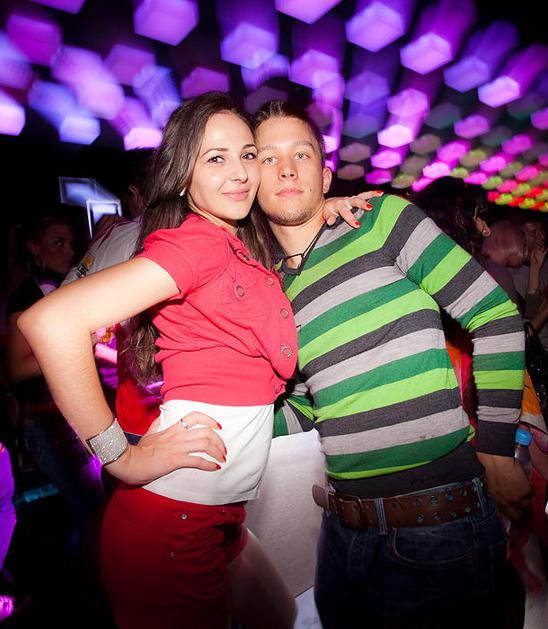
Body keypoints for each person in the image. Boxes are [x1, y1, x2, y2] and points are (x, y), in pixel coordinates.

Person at [16, 92, 376, 629]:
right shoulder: (197, 245)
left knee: (283, 618)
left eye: (247, 155)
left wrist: (319, 210)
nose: (240, 173)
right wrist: (121, 457)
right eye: (215, 158)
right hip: (173, 526)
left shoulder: (234, 245)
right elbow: (50, 322)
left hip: (217, 518)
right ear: (184, 177)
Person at [252, 100, 530, 629]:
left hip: (437, 524)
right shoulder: (274, 289)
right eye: (269, 158)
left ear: (324, 175)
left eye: (301, 154)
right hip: (341, 534)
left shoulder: (381, 220)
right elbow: (312, 403)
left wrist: (495, 449)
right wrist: (221, 431)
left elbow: (495, 315)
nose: (286, 169)